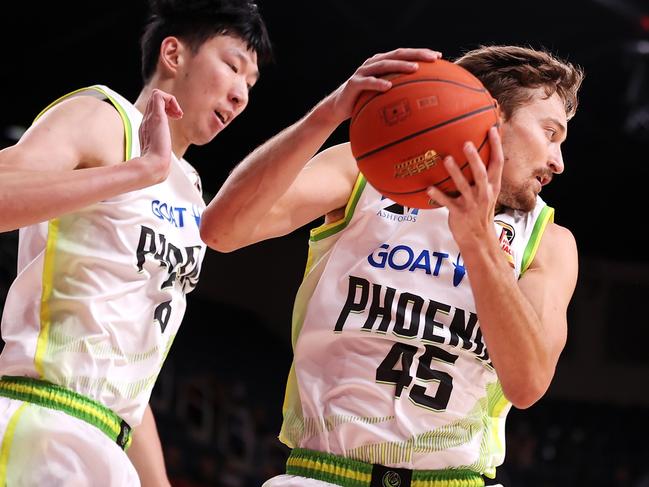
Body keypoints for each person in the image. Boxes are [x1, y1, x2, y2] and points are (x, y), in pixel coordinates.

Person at [200, 44, 584, 487]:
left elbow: (528, 383)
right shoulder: (363, 173)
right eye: (550, 134)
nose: (558, 162)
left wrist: (478, 243)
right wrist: (328, 115)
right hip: (325, 474)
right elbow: (220, 230)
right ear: (493, 117)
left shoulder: (549, 241)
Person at [0, 0, 272, 485]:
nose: (240, 95)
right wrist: (138, 172)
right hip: (44, 418)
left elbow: (129, 374)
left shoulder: (191, 193)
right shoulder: (103, 117)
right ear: (173, 54)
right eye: (232, 66)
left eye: (250, 85)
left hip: (109, 440)